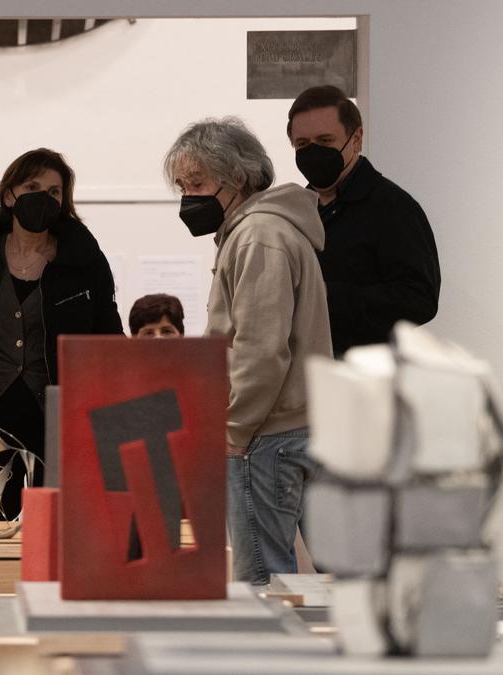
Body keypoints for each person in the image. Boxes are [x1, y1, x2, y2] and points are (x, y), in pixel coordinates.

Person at [164, 117, 332, 585]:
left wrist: (234, 430)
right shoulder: (268, 229)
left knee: (263, 584)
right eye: (182, 185)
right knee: (303, 581)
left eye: (197, 183)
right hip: (289, 427)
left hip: (266, 434)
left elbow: (260, 350)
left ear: (237, 177)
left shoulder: (259, 235)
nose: (188, 197)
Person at [0, 148, 123, 518]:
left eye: (54, 192)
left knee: (60, 536)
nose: (43, 197)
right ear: (9, 194)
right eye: (33, 186)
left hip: (61, 426)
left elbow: (111, 348)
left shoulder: (86, 263)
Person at [287, 85, 440, 356]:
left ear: (356, 139)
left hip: (365, 378)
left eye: (325, 141)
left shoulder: (393, 207)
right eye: (303, 144)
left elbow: (420, 299)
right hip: (305, 375)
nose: (313, 152)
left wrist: (325, 296)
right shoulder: (296, 209)